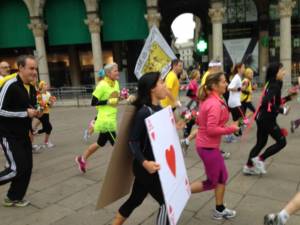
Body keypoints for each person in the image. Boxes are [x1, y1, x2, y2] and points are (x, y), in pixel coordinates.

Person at [112, 72, 169, 225]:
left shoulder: (160, 108)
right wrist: (145, 163)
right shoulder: (144, 112)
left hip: (157, 166)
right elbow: (133, 141)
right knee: (167, 203)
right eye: (162, 83)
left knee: (135, 199)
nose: (166, 86)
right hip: (146, 168)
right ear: (152, 88)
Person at [190, 72, 239, 220]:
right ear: (214, 86)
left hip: (209, 146)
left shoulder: (214, 99)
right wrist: (230, 129)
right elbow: (211, 130)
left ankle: (220, 208)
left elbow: (201, 122)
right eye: (224, 82)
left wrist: (226, 125)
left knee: (222, 176)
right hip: (207, 147)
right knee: (212, 182)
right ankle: (180, 192)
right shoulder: (213, 103)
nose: (226, 84)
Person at [0, 55, 40, 207]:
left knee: (27, 168)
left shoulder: (31, 87)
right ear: (21, 68)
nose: (34, 72)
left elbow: (32, 108)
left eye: (35, 68)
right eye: (31, 68)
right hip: (8, 135)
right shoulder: (9, 84)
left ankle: (13, 197)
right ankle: (13, 196)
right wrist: (25, 113)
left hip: (24, 134)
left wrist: (38, 111)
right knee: (16, 169)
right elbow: (0, 110)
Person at [243, 62, 293, 175]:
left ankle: (248, 166)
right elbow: (266, 101)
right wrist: (282, 110)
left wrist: (289, 97)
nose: (284, 72)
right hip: (266, 118)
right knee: (281, 142)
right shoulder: (275, 84)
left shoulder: (274, 82)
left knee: (260, 143)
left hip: (261, 117)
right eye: (282, 70)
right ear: (276, 72)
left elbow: (275, 101)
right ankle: (260, 159)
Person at [75, 63, 120, 173]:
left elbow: (114, 100)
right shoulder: (102, 85)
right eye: (115, 71)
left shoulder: (116, 83)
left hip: (112, 118)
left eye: (117, 70)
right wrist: (107, 101)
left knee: (100, 143)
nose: (117, 72)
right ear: (108, 73)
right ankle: (125, 168)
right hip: (105, 120)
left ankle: (82, 158)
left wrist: (121, 97)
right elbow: (93, 102)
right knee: (119, 145)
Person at [35, 80, 56, 148]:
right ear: (41, 87)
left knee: (46, 128)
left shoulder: (48, 94)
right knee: (49, 127)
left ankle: (34, 133)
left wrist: (52, 102)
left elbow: (50, 106)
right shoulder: (39, 95)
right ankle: (46, 142)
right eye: (45, 84)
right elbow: (41, 106)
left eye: (46, 84)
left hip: (46, 113)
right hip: (41, 113)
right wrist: (49, 102)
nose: (47, 86)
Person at [227, 63, 245, 138]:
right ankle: (230, 133)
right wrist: (240, 89)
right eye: (243, 67)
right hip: (235, 103)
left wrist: (243, 84)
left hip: (233, 102)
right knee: (242, 118)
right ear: (238, 69)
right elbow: (229, 87)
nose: (244, 69)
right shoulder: (237, 77)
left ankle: (237, 131)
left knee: (237, 119)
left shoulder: (238, 77)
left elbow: (238, 86)